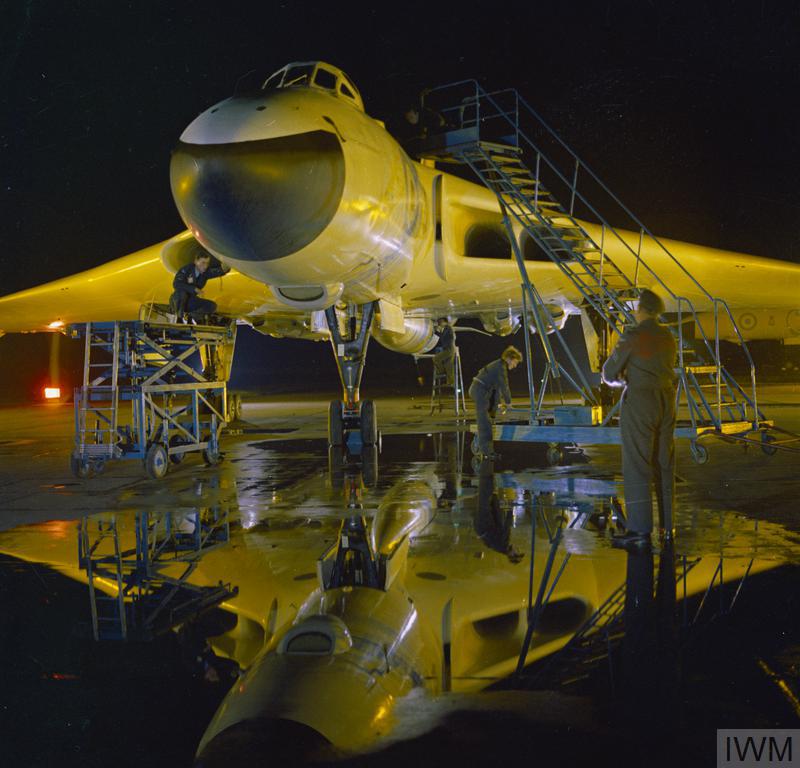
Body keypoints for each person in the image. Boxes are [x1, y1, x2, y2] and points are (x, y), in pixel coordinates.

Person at [602, 289, 677, 548]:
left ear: (641, 310)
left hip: (641, 401)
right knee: (663, 465)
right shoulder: (668, 336)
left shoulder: (633, 335)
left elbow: (608, 373)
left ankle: (639, 532)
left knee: (637, 465)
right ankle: (668, 527)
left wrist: (619, 378)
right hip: (666, 400)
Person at [469, 345, 523, 459]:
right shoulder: (500, 368)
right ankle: (487, 453)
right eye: (515, 362)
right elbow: (504, 386)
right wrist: (508, 403)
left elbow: (497, 390)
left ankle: (488, 451)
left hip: (482, 391)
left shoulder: (499, 365)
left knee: (488, 419)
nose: (515, 365)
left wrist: (496, 407)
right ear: (509, 358)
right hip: (479, 391)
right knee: (484, 423)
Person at [170, 253, 229, 323]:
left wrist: (224, 269)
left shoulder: (204, 273)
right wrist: (194, 289)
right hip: (178, 300)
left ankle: (192, 317)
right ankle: (178, 318)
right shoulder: (187, 269)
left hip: (190, 301)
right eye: (203, 262)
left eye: (207, 263)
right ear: (195, 261)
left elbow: (214, 272)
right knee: (182, 293)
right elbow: (177, 284)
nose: (205, 266)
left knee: (212, 306)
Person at [432, 317, 456, 386]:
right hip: (449, 349)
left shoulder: (448, 328)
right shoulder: (446, 329)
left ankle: (441, 371)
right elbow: (442, 337)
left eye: (440, 322)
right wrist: (437, 332)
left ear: (445, 322)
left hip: (449, 349)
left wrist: (437, 331)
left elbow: (443, 336)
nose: (439, 323)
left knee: (436, 358)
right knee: (449, 366)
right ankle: (450, 382)